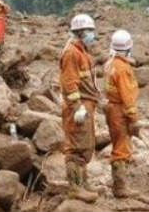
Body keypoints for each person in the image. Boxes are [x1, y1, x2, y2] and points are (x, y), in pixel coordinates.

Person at [59, 14, 100, 203]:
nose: (92, 34)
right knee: (76, 148)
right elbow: (69, 83)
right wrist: (77, 107)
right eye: (89, 31)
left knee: (85, 146)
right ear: (80, 32)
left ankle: (83, 182)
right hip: (78, 107)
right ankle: (75, 188)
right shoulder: (72, 53)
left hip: (87, 105)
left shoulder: (82, 51)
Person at [103, 29, 141, 198]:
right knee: (121, 147)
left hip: (111, 108)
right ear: (127, 48)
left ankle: (118, 185)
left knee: (116, 142)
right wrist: (133, 119)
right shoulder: (123, 68)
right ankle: (120, 187)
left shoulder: (109, 63)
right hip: (120, 111)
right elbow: (127, 96)